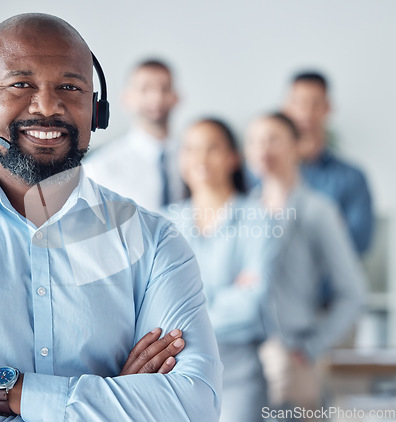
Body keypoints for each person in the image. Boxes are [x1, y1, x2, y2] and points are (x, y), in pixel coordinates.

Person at [0, 13, 222, 421]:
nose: (48, 106)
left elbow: (194, 405)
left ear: (96, 110)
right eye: (20, 84)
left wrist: (9, 390)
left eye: (70, 87)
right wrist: (114, 402)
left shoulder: (155, 241)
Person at [245, 112, 365, 418]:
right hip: (243, 357)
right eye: (255, 141)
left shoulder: (318, 210)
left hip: (293, 355)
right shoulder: (243, 210)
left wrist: (312, 347)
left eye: (273, 140)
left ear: (296, 146)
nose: (263, 149)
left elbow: (352, 291)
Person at [165, 118, 274, 422]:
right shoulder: (163, 223)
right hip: (175, 374)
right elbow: (151, 306)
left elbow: (251, 303)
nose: (200, 158)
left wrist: (183, 315)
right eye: (191, 149)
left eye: (212, 148)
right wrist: (227, 296)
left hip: (238, 372)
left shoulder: (258, 220)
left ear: (233, 157)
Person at [283, 70, 374, 255]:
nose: (306, 113)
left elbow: (359, 241)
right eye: (299, 103)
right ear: (286, 107)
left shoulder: (351, 177)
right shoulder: (260, 172)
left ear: (328, 107)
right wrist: (333, 227)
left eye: (315, 103)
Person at [84, 58, 185, 212]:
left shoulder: (196, 160)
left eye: (165, 88)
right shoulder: (99, 169)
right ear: (127, 98)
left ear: (176, 98)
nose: (156, 97)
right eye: (145, 89)